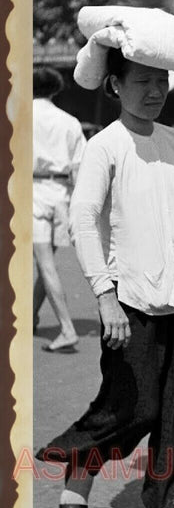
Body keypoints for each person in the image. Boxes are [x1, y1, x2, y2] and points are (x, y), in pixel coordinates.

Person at [36, 5, 174, 508]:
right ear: (115, 85)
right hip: (129, 299)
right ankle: (79, 467)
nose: (155, 91)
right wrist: (105, 298)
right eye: (142, 81)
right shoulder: (103, 145)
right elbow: (84, 222)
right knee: (132, 405)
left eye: (161, 80)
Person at [33, 66, 86, 352]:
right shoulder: (70, 122)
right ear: (56, 89)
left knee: (45, 263)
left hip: (33, 192)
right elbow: (79, 168)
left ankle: (66, 329)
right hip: (61, 194)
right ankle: (29, 317)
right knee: (46, 262)